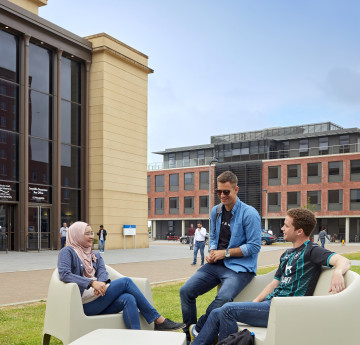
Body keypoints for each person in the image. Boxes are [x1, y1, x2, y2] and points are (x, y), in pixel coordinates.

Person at [190, 208, 351, 345]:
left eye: (286, 226)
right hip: (269, 305)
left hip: (285, 310)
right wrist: (252, 304)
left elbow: (342, 260)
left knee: (227, 310)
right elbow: (273, 284)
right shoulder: (287, 254)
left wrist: (337, 272)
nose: (282, 229)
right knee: (218, 311)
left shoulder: (311, 250)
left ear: (299, 231)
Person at [180, 170, 261, 343]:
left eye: (226, 192)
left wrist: (224, 253)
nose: (222, 195)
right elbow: (215, 237)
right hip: (217, 264)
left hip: (240, 268)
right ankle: (189, 336)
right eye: (218, 191)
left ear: (236, 189)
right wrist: (212, 252)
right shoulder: (216, 211)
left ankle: (200, 328)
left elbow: (254, 246)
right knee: (185, 291)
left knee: (223, 298)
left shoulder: (250, 213)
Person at [58, 221, 185, 331]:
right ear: (77, 235)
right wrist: (92, 283)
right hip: (84, 304)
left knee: (129, 298)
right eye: (87, 234)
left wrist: (101, 284)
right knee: (126, 282)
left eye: (92, 233)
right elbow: (64, 274)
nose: (91, 236)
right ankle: (158, 320)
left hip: (99, 296)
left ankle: (136, 339)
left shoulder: (94, 254)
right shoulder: (67, 251)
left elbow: (103, 272)